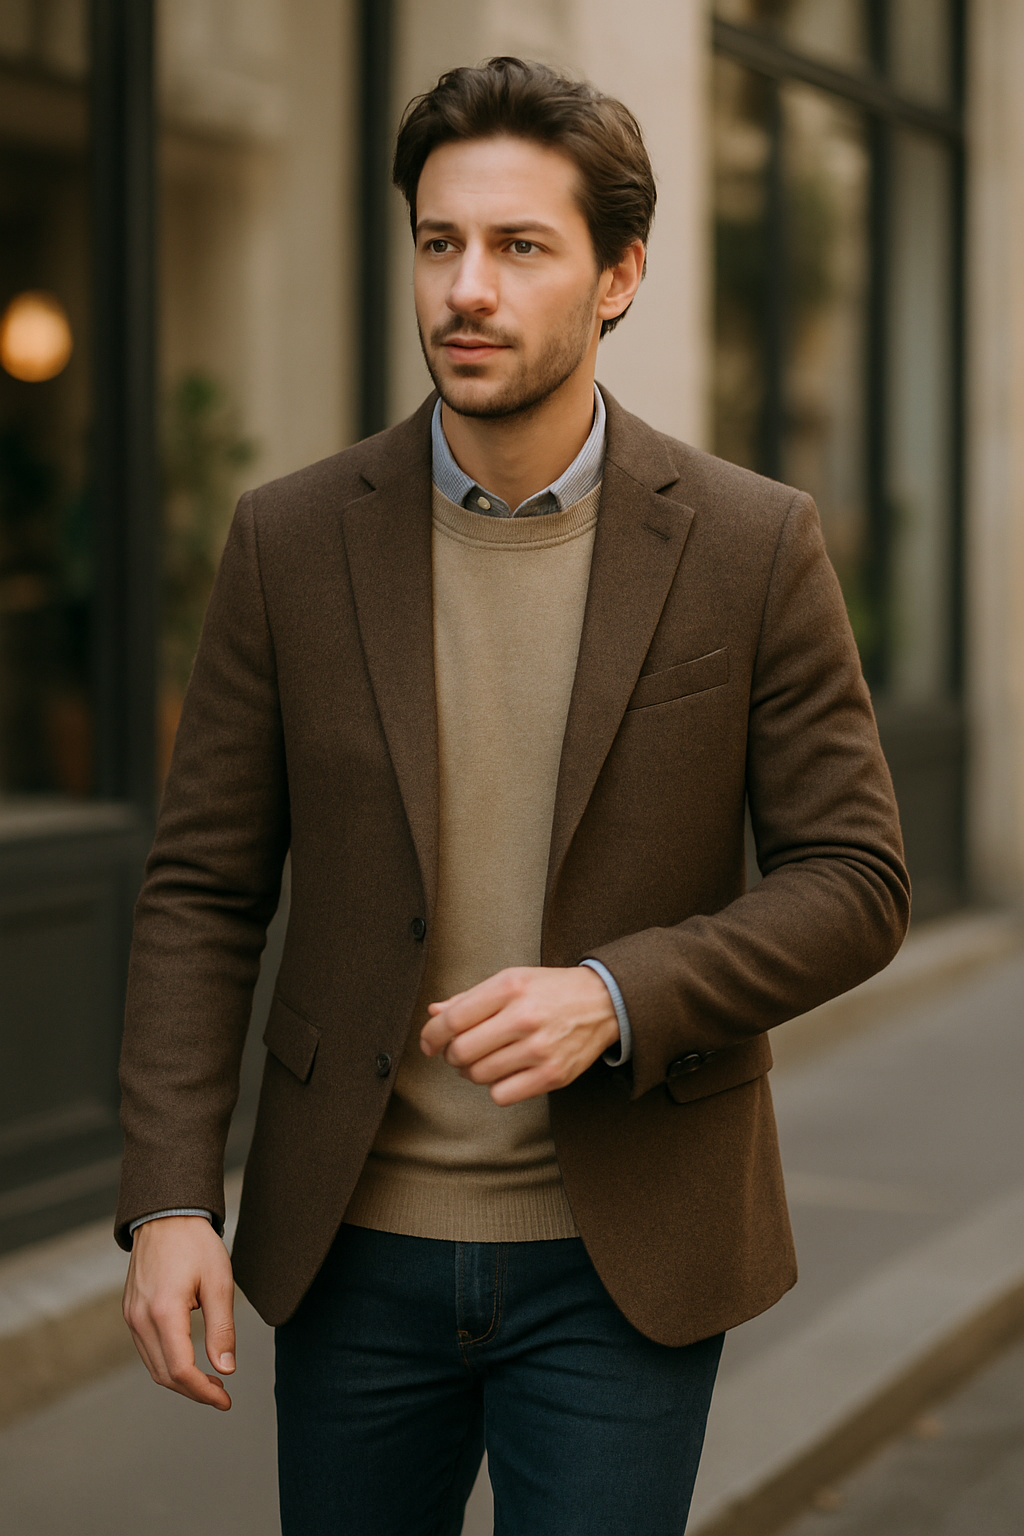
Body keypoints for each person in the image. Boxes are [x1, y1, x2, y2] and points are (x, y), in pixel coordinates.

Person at [117, 56, 910, 1536]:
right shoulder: (290, 542)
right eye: (438, 243)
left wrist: (620, 991)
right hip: (350, 1251)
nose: (464, 289)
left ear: (619, 276)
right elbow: (203, 889)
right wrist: (170, 1200)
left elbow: (858, 880)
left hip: (627, 1258)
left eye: (519, 247)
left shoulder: (753, 544)